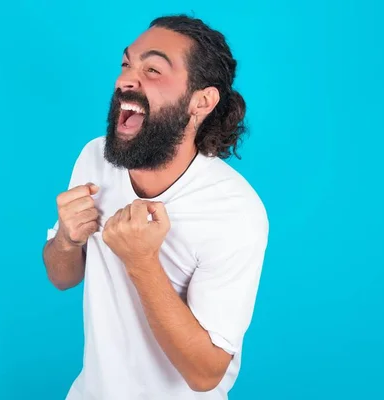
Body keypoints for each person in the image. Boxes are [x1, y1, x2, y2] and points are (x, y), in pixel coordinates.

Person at [43, 14, 269, 400]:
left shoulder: (235, 212)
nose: (125, 80)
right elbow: (62, 277)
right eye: (126, 64)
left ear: (201, 101)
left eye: (153, 69)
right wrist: (66, 240)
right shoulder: (94, 158)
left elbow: (205, 374)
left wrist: (142, 262)